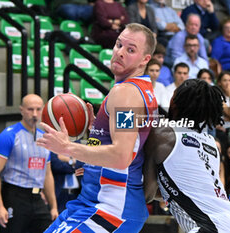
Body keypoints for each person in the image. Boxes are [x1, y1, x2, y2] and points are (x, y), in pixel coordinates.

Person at [37, 23, 158, 232]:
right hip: (93, 200)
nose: (120, 53)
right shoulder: (137, 90)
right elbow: (128, 144)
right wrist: (93, 141)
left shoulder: (126, 95)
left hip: (112, 207)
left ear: (145, 59)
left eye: (131, 50)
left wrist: (67, 148)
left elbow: (121, 156)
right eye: (119, 45)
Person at [144, 79, 230, 233]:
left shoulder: (163, 134)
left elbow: (147, 194)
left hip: (212, 227)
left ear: (174, 102)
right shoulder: (212, 144)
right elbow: (186, 190)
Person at [0, 94, 58, 233]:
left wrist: (54, 206)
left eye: (38, 109)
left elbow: (47, 174)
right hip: (15, 195)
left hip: (37, 197)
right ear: (21, 110)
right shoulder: (9, 135)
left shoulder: (44, 138)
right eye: (30, 109)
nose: (34, 114)